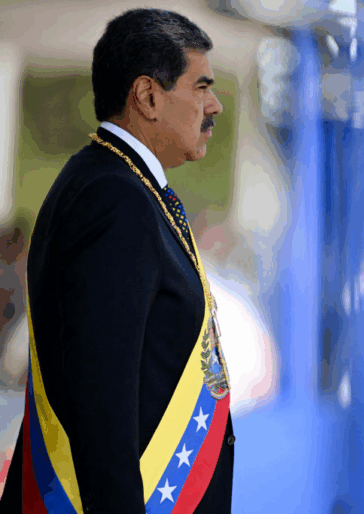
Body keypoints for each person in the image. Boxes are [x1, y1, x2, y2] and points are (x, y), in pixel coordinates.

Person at [0, 8, 235, 512]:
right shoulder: (116, 198)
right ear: (148, 96)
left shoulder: (117, 184)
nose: (215, 105)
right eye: (201, 87)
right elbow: (102, 405)